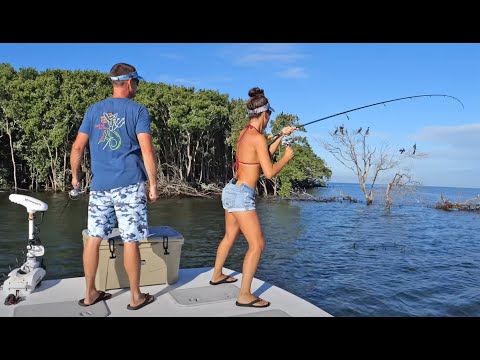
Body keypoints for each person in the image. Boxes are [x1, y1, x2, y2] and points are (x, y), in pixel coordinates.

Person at [70, 63, 158, 311]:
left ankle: (89, 294)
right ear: (130, 83)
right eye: (137, 83)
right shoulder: (139, 111)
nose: (137, 87)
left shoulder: (94, 110)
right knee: (131, 240)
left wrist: (76, 177)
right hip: (129, 185)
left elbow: (77, 147)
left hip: (99, 186)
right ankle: (135, 297)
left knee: (94, 238)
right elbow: (147, 150)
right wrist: (153, 184)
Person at [209, 87, 296, 308]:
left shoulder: (244, 133)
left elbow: (263, 152)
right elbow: (269, 172)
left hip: (230, 190)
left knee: (230, 236)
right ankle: (245, 295)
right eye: (269, 117)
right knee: (257, 245)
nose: (268, 121)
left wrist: (281, 135)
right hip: (241, 195)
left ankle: (217, 274)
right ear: (265, 114)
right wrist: (287, 157)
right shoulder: (257, 137)